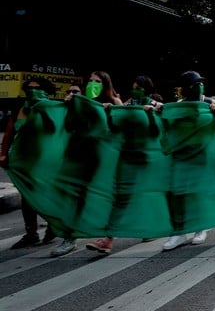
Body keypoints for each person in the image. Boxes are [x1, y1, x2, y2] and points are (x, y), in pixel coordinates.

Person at [51, 71, 124, 257]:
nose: (93, 84)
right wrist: (69, 107)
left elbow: (122, 129)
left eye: (97, 81)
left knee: (105, 197)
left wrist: (110, 112)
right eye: (90, 80)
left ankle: (107, 238)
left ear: (106, 84)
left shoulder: (114, 102)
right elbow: (68, 127)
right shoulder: (79, 101)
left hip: (104, 158)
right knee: (75, 196)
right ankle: (70, 238)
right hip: (79, 155)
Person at [88, 75, 163, 254]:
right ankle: (111, 238)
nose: (134, 90)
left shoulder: (155, 106)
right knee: (121, 197)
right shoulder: (128, 105)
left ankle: (118, 236)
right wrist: (109, 112)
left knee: (137, 196)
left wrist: (151, 116)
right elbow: (115, 128)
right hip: (126, 157)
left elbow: (157, 132)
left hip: (146, 160)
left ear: (145, 89)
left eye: (137, 87)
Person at [158, 71, 215, 250]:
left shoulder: (209, 103)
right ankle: (178, 231)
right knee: (176, 193)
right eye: (194, 84)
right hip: (180, 156)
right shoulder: (177, 106)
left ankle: (200, 228)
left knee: (196, 193)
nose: (198, 86)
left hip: (200, 155)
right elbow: (168, 129)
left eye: (200, 83)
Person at [6, 77, 59, 249]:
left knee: (43, 195)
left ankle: (54, 225)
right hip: (23, 160)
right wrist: (3, 155)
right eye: (29, 87)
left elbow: (56, 132)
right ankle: (31, 233)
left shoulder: (50, 107)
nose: (32, 90)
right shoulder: (20, 108)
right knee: (26, 197)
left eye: (37, 87)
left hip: (45, 160)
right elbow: (10, 132)